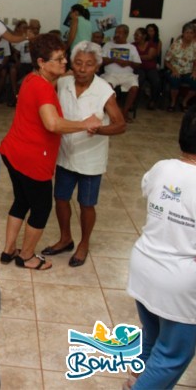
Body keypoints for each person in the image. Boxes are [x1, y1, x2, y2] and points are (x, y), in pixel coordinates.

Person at [0, 34, 102, 270]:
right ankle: (26, 257)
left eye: (65, 57)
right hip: (32, 159)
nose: (65, 62)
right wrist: (85, 123)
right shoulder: (44, 89)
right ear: (42, 62)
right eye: (58, 59)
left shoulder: (31, 78)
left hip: (12, 151)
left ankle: (8, 249)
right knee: (41, 207)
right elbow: (53, 124)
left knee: (21, 200)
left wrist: (71, 72)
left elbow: (56, 78)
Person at [125, 105, 196, 390]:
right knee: (174, 354)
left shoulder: (161, 167)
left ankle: (134, 381)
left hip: (144, 265)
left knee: (153, 339)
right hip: (179, 278)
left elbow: (152, 192)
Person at [41, 41, 126, 267]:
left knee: (86, 204)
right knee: (60, 198)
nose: (82, 69)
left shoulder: (104, 91)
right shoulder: (64, 82)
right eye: (78, 63)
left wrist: (98, 129)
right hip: (65, 153)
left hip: (91, 159)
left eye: (88, 64)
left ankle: (84, 243)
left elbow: (120, 124)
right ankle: (65, 238)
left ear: (97, 66)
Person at [101, 24, 142, 121]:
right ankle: (111, 112)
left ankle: (124, 112)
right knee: (108, 87)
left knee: (134, 88)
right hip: (110, 74)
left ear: (126, 34)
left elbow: (138, 64)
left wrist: (128, 62)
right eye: (116, 32)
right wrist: (114, 60)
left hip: (127, 75)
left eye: (120, 33)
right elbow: (101, 60)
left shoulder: (131, 47)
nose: (117, 35)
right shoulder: (108, 45)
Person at [165, 22, 196, 112]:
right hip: (174, 70)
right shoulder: (175, 45)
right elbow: (166, 61)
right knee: (175, 81)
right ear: (183, 33)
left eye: (191, 33)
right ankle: (173, 103)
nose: (189, 35)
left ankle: (184, 102)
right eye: (187, 32)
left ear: (194, 34)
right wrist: (174, 70)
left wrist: (194, 72)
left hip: (188, 71)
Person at [133, 27, 163, 110]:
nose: (135, 36)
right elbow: (131, 57)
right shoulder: (132, 45)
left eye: (137, 35)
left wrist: (137, 57)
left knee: (156, 81)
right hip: (138, 68)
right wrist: (141, 57)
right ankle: (134, 102)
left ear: (144, 36)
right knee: (139, 80)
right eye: (134, 35)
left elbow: (150, 57)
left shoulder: (151, 44)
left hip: (150, 68)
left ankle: (153, 101)